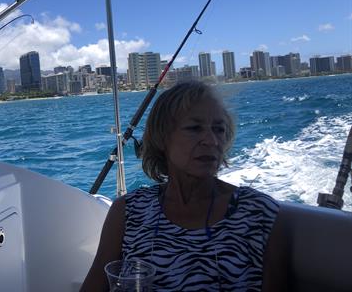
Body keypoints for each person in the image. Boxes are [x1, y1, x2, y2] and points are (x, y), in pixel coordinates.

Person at [81, 80, 287, 291]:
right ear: (162, 138)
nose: (212, 141)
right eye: (195, 128)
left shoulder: (260, 214)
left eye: (219, 129)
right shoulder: (128, 211)